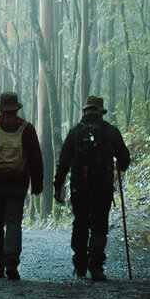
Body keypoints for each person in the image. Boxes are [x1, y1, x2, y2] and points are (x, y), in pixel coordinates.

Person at [53, 95, 132, 280]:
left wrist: (58, 187)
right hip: (102, 188)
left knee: (80, 223)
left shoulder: (74, 132)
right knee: (99, 225)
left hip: (78, 188)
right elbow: (125, 159)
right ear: (100, 112)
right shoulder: (111, 131)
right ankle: (96, 266)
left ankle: (80, 265)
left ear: (84, 111)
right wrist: (120, 165)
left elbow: (63, 162)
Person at [0, 92, 47, 279]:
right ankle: (11, 262)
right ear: (16, 108)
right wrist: (37, 185)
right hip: (17, 186)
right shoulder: (26, 128)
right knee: (13, 223)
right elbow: (36, 158)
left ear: (1, 107)